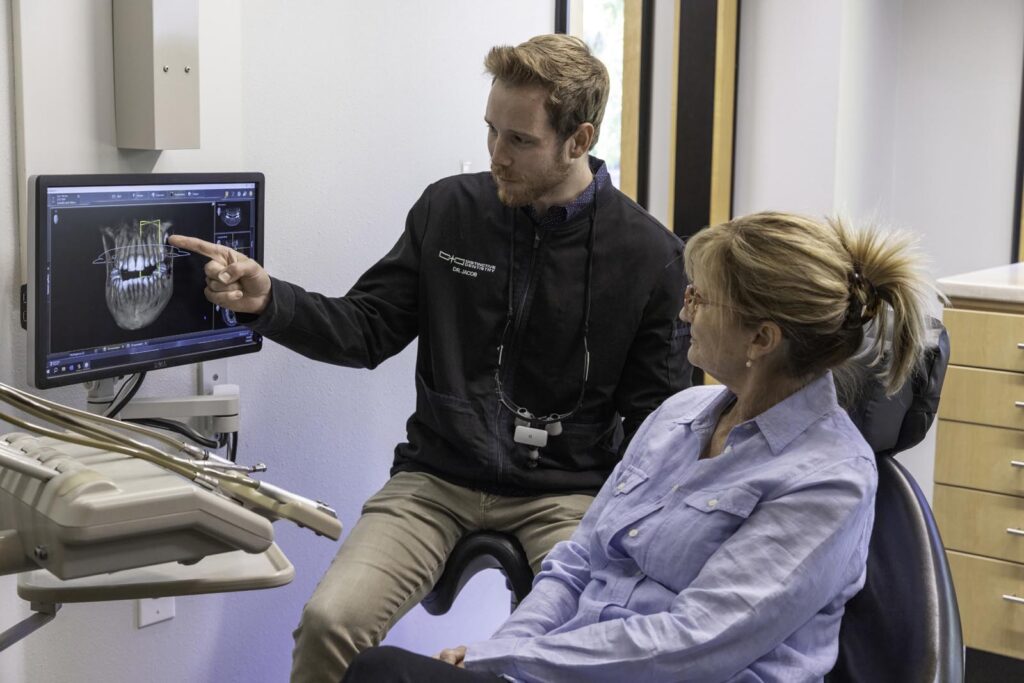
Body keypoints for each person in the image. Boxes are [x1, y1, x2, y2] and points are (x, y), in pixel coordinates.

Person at [169, 34, 690, 682]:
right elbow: (365, 328)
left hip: (568, 495)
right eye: (490, 131)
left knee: (574, 652)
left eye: (519, 141)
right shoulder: (450, 211)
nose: (496, 155)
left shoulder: (649, 256)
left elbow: (660, 428)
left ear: (579, 140)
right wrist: (267, 300)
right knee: (331, 623)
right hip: (435, 480)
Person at [340, 211, 938, 683]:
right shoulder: (680, 416)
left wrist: (509, 664)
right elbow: (578, 564)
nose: (685, 310)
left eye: (701, 299)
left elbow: (693, 642)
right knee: (380, 672)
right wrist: (504, 651)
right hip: (573, 670)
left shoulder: (828, 479)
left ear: (762, 337)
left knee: (385, 675)